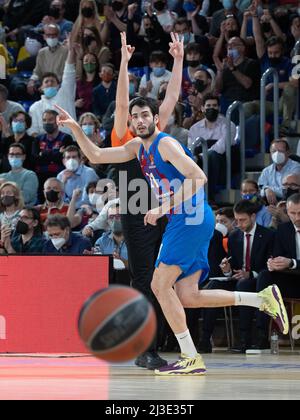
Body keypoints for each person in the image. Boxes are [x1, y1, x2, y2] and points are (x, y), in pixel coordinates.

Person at [55, 98, 289, 376]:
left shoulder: (165, 144)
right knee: (187, 296)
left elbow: (198, 176)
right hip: (189, 220)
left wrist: (163, 207)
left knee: (158, 285)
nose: (140, 120)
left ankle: (190, 356)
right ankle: (261, 299)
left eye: (145, 115)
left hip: (189, 219)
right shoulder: (136, 148)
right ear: (130, 122)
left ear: (156, 119)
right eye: (135, 117)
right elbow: (96, 155)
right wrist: (75, 129)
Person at [200, 200, 275, 354]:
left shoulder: (268, 235)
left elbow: (270, 265)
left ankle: (245, 338)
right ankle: (205, 339)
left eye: (243, 220)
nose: (239, 224)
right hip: (238, 279)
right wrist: (226, 270)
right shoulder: (234, 236)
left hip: (258, 280)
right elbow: (231, 264)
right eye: (237, 220)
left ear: (253, 217)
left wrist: (250, 274)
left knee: (244, 285)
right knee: (212, 287)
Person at [255, 193, 300, 349]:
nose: (296, 217)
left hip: (295, 271)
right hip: (291, 279)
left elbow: (290, 262)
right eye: (292, 213)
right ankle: (261, 335)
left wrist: (292, 263)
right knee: (265, 276)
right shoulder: (283, 229)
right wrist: (273, 263)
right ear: (287, 212)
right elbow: (277, 254)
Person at [258, 139, 300, 205]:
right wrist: (266, 190)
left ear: (288, 153)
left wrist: (268, 189)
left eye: (281, 151)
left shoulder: (296, 167)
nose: (277, 154)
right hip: (270, 204)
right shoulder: (266, 171)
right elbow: (259, 189)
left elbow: (286, 191)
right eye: (274, 151)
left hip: (291, 203)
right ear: (270, 153)